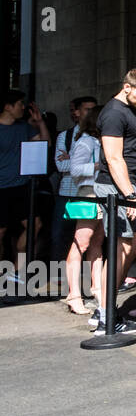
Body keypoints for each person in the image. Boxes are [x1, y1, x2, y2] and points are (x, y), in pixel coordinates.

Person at [91, 70, 136, 335]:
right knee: (122, 248)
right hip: (119, 188)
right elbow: (114, 158)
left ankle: (104, 309)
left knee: (135, 244)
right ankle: (105, 314)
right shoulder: (114, 113)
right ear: (126, 87)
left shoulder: (130, 108)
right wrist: (129, 194)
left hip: (131, 185)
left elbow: (128, 149)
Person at [0, 89, 51, 276]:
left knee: (34, 226)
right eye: (20, 104)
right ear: (8, 107)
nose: (23, 107)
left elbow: (44, 146)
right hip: (1, 188)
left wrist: (40, 123)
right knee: (1, 232)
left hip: (23, 187)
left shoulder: (24, 127)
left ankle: (16, 269)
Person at [53, 96, 97, 295]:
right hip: (67, 192)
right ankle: (60, 279)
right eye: (86, 109)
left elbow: (70, 165)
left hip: (88, 192)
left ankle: (86, 281)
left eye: (93, 109)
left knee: (90, 241)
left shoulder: (96, 138)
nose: (90, 113)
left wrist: (71, 159)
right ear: (76, 111)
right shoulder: (66, 136)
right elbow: (62, 165)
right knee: (62, 236)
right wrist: (80, 163)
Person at [62, 106, 104, 315]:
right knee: (82, 242)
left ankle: (96, 288)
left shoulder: (94, 140)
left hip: (102, 194)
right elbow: (75, 169)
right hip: (89, 194)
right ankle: (74, 294)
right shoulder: (86, 141)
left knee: (96, 243)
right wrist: (99, 165)